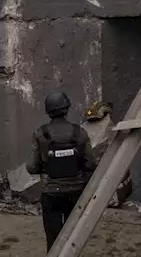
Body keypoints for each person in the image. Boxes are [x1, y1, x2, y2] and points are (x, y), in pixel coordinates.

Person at [26, 91, 97, 251]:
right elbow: (91, 164)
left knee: (53, 238)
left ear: (48, 111)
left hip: (51, 193)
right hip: (76, 191)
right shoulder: (80, 133)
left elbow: (32, 167)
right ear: (67, 109)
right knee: (73, 237)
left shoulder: (40, 134)